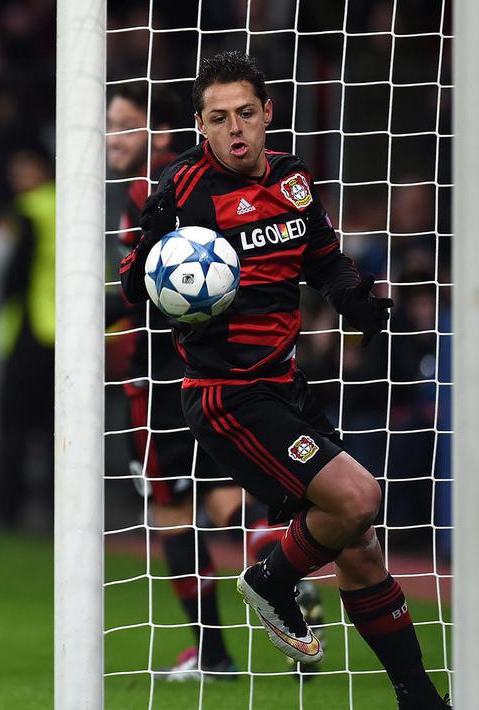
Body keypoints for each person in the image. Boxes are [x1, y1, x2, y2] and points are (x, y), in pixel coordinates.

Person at [119, 52, 449, 709]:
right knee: (357, 498)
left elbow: (324, 260)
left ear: (267, 112)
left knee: (358, 548)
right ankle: (269, 581)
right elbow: (135, 289)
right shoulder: (180, 189)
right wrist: (150, 252)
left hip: (286, 386)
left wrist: (353, 295)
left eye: (245, 112)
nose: (234, 128)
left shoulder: (294, 179)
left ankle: (418, 699)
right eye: (218, 118)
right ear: (199, 126)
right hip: (227, 395)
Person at [107, 82, 323, 682]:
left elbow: (150, 292)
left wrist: (92, 318)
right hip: (222, 375)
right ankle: (282, 579)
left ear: (162, 134)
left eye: (126, 124)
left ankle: (218, 647)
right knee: (229, 495)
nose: (112, 137)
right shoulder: (204, 187)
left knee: (171, 509)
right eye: (109, 125)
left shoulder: (160, 194)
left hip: (163, 374)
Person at [0, 146, 55, 529]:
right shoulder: (68, 206)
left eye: (25, 168)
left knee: (14, 428)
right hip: (65, 333)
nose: (18, 176)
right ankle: (56, 508)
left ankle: (7, 510)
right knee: (55, 430)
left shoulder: (30, 208)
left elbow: (14, 276)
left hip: (31, 329)